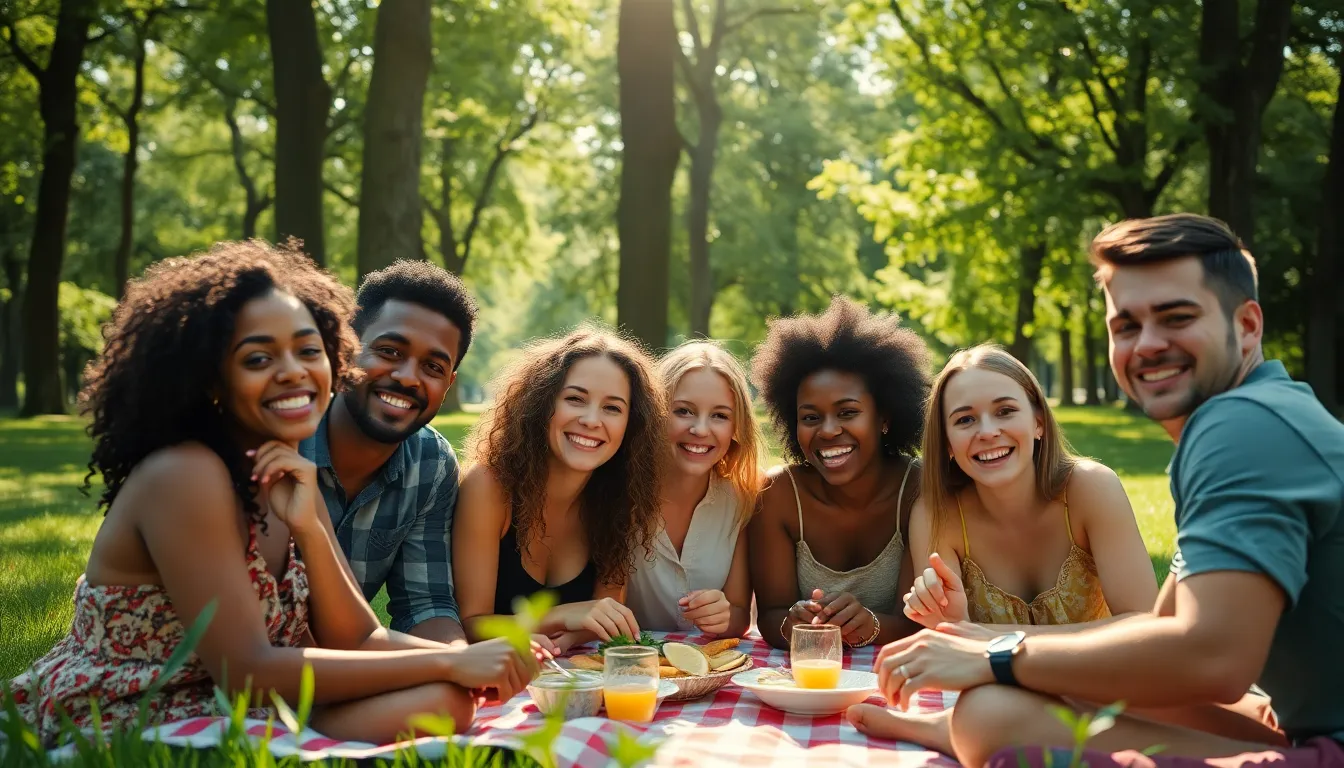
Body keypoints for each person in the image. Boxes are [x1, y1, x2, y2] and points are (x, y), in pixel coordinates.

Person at [7, 241, 534, 747]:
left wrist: (309, 525)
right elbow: (245, 669)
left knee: (446, 702)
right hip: (129, 713)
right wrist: (446, 660)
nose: (292, 371)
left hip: (247, 704)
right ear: (213, 376)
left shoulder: (286, 470)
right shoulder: (186, 474)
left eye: (309, 351)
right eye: (259, 359)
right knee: (442, 682)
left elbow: (358, 639)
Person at [870, 213, 1344, 768]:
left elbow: (1213, 663)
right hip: (1302, 723)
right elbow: (1160, 635)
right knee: (1014, 702)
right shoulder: (1263, 411)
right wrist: (979, 644)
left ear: (1247, 325)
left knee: (989, 715)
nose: (1147, 345)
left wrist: (998, 655)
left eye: (1176, 318)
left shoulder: (1240, 427)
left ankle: (962, 732)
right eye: (1126, 327)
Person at [847, 343, 1158, 753]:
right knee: (986, 710)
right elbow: (949, 646)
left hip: (1105, 685)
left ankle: (943, 731)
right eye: (965, 419)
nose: (987, 431)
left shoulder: (1090, 489)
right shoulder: (937, 515)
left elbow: (1145, 627)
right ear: (947, 444)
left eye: (1005, 411)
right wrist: (951, 622)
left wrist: (983, 638)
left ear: (1039, 422)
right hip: (1000, 695)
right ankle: (953, 729)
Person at [453, 326, 666, 654]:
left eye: (612, 408)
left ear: (631, 424)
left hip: (567, 681)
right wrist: (563, 616)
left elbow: (603, 613)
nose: (592, 420)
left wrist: (574, 632)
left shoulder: (620, 499)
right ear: (541, 405)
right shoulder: (489, 487)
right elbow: (471, 624)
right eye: (575, 399)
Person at [299, 260, 476, 644]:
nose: (409, 377)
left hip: (344, 663)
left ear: (448, 384)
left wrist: (460, 661)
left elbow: (425, 603)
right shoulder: (284, 440)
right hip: (252, 671)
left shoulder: (431, 463)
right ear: (346, 348)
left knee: (453, 696)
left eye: (432, 366)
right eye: (390, 351)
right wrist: (448, 664)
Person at [748, 296, 931, 651]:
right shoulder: (779, 495)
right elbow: (770, 614)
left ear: (884, 418)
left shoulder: (919, 489)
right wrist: (791, 623)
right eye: (811, 417)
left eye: (847, 413)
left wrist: (872, 626)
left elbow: (918, 623)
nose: (828, 431)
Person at [625, 341, 765, 637]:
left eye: (720, 416)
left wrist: (722, 616)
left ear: (736, 427)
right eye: (684, 411)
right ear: (655, 414)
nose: (701, 430)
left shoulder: (742, 498)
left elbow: (739, 616)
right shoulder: (619, 493)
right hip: (628, 662)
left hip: (704, 667)